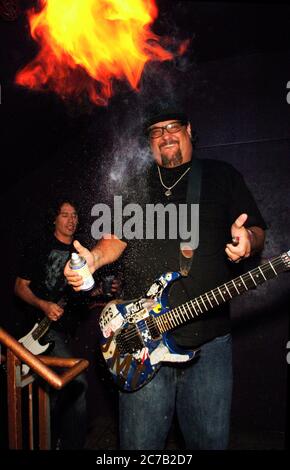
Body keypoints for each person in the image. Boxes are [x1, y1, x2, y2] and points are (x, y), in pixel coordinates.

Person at [64, 108, 266, 450]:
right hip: (142, 339)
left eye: (172, 127)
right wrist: (93, 259)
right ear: (149, 142)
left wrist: (248, 240)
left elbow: (257, 230)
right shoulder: (137, 184)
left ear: (189, 130)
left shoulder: (221, 176)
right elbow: (115, 237)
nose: (165, 135)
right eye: (156, 131)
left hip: (209, 343)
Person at [15, 198, 88, 450]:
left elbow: (85, 295)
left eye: (75, 215)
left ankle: (56, 441)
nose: (71, 220)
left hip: (66, 332)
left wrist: (105, 289)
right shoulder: (40, 246)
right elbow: (19, 287)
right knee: (77, 384)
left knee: (56, 396)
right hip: (40, 330)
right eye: (65, 214)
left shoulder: (81, 253)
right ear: (54, 219)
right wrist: (43, 305)